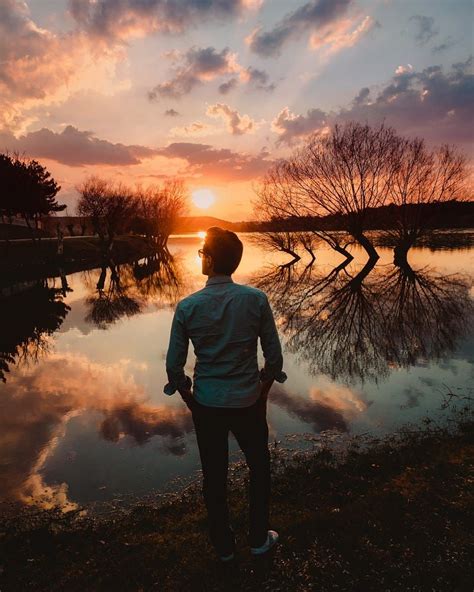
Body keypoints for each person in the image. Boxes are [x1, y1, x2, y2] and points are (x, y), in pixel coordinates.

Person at [164, 226, 287, 561]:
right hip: (248, 401)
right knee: (260, 469)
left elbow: (175, 367)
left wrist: (190, 398)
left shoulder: (188, 307)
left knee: (214, 476)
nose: (199, 256)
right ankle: (259, 538)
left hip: (207, 404)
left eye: (202, 252)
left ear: (212, 260)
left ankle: (224, 548)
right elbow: (273, 359)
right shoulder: (256, 300)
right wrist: (262, 390)